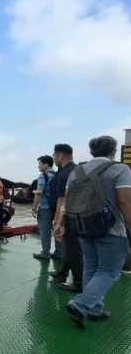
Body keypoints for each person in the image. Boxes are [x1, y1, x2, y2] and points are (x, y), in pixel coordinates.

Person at [61, 136, 131, 327]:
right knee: (109, 271)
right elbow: (125, 201)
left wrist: (61, 223)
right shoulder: (120, 169)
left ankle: (95, 308)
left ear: (91, 152)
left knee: (91, 266)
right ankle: (81, 303)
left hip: (82, 226)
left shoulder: (77, 171)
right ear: (113, 151)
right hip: (111, 229)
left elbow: (67, 200)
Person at [50, 144, 82, 292]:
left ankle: (78, 282)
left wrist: (57, 221)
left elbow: (62, 199)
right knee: (70, 248)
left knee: (73, 249)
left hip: (68, 215)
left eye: (54, 156)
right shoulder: (78, 170)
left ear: (60, 156)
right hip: (80, 214)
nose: (54, 159)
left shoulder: (64, 173)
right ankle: (62, 272)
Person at [32, 155, 61, 260]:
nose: (38, 166)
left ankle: (45, 253)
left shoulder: (43, 176)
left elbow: (39, 193)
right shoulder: (58, 174)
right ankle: (59, 253)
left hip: (45, 207)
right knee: (57, 229)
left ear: (46, 164)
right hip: (57, 207)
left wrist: (34, 208)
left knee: (45, 231)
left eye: (40, 163)